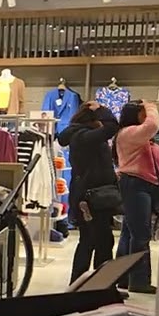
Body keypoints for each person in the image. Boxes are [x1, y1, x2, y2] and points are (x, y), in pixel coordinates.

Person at [58, 102, 121, 283]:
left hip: (89, 195)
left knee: (94, 240)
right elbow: (112, 127)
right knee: (97, 242)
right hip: (92, 198)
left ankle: (86, 285)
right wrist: (101, 109)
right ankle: (95, 285)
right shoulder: (84, 136)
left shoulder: (79, 135)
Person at [114, 101, 159, 293]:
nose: (147, 115)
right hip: (135, 183)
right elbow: (153, 125)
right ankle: (139, 280)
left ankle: (123, 277)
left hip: (143, 184)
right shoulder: (128, 133)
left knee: (130, 232)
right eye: (143, 112)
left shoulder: (137, 136)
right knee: (141, 234)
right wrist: (151, 106)